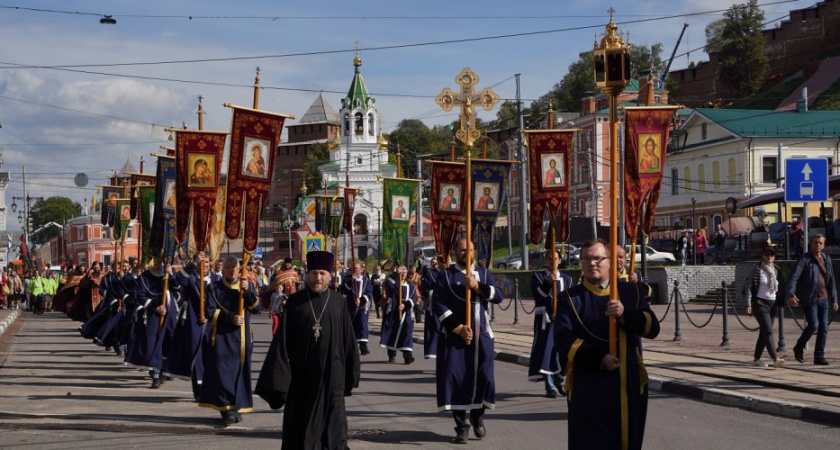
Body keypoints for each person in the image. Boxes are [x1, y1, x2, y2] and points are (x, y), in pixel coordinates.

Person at [554, 239, 660, 450]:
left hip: (627, 382)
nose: (592, 263)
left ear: (609, 262)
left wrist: (624, 314)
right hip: (588, 385)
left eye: (597, 258)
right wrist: (599, 359)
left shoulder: (632, 292)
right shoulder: (569, 299)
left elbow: (652, 329)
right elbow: (564, 341)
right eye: (586, 259)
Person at [255, 250, 360, 449]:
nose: (318, 278)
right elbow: (281, 344)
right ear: (307, 275)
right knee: (301, 434)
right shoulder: (295, 303)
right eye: (314, 273)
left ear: (330, 275)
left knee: (334, 434)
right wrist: (278, 383)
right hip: (302, 381)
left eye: (322, 273)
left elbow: (349, 342)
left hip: (332, 379)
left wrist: (351, 374)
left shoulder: (338, 303)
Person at [432, 238, 503, 444]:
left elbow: (498, 296)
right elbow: (437, 303)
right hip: (455, 336)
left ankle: (477, 415)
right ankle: (461, 426)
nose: (467, 253)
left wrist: (478, 286)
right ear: (455, 252)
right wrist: (459, 328)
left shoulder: (483, 272)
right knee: (455, 378)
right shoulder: (445, 275)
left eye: (470, 249)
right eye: (463, 249)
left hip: (482, 336)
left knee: (485, 377)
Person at [198, 255, 261, 425]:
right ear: (222, 269)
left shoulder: (246, 285)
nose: (232, 271)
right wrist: (230, 318)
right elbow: (211, 311)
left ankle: (236, 406)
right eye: (228, 267)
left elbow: (257, 308)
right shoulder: (214, 287)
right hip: (222, 337)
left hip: (242, 337)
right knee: (223, 373)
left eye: (235, 267)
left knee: (240, 373)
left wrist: (247, 291)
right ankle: (226, 409)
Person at [123, 256, 180, 389]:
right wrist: (155, 307)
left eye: (159, 260)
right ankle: (155, 374)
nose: (157, 263)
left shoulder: (168, 273)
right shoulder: (144, 277)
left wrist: (171, 275)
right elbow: (140, 295)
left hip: (169, 311)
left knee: (169, 340)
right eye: (154, 260)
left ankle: (164, 370)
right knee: (152, 342)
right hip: (153, 313)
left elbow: (178, 288)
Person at [788, 234, 839, 365]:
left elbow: (831, 280)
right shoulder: (804, 259)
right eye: (816, 242)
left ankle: (819, 356)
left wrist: (834, 299)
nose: (818, 245)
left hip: (823, 298)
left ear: (824, 245)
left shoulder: (826, 258)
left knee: (824, 328)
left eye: (821, 243)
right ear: (811, 244)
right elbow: (794, 277)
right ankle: (799, 347)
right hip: (809, 298)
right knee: (813, 325)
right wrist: (791, 294)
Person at [529, 248, 572, 398]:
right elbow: (539, 297)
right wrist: (547, 283)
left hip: (563, 321)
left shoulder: (567, 279)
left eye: (555, 258)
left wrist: (561, 313)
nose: (552, 261)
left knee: (564, 352)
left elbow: (569, 300)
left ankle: (559, 380)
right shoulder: (538, 277)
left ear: (560, 260)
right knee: (547, 352)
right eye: (549, 258)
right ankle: (550, 385)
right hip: (545, 320)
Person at [167, 252, 210, 401]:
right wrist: (191, 264)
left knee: (210, 355)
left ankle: (209, 386)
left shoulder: (216, 279)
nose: (205, 266)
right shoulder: (190, 278)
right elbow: (177, 281)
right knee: (195, 355)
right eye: (202, 263)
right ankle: (198, 389)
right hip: (193, 322)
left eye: (207, 263)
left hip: (212, 322)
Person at [744, 248, 786, 368]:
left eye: (772, 255)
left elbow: (782, 287)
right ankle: (775, 358)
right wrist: (748, 304)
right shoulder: (757, 269)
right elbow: (748, 287)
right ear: (762, 256)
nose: (769, 257)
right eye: (767, 254)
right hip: (760, 303)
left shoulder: (777, 270)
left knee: (764, 332)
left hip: (772, 304)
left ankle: (756, 359)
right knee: (768, 331)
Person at [381, 266, 416, 364]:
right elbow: (389, 282)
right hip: (393, 312)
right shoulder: (393, 282)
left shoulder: (411, 285)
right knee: (393, 332)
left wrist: (405, 305)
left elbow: (414, 298)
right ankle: (392, 354)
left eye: (405, 271)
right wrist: (396, 274)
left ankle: (407, 355)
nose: (403, 273)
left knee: (407, 333)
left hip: (407, 313)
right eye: (401, 271)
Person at [341, 262, 373, 355]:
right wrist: (351, 281)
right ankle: (350, 346)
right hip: (350, 306)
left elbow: (369, 293)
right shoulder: (347, 278)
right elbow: (344, 289)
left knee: (363, 324)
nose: (354, 270)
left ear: (361, 269)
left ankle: (363, 346)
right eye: (353, 268)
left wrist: (362, 300)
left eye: (356, 268)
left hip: (362, 307)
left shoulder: (366, 280)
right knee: (351, 325)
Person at [421, 258, 442, 359]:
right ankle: (435, 352)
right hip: (434, 306)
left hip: (447, 305)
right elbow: (424, 289)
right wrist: (433, 293)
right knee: (435, 330)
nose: (434, 264)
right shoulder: (429, 274)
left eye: (436, 262)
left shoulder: (447, 272)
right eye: (433, 262)